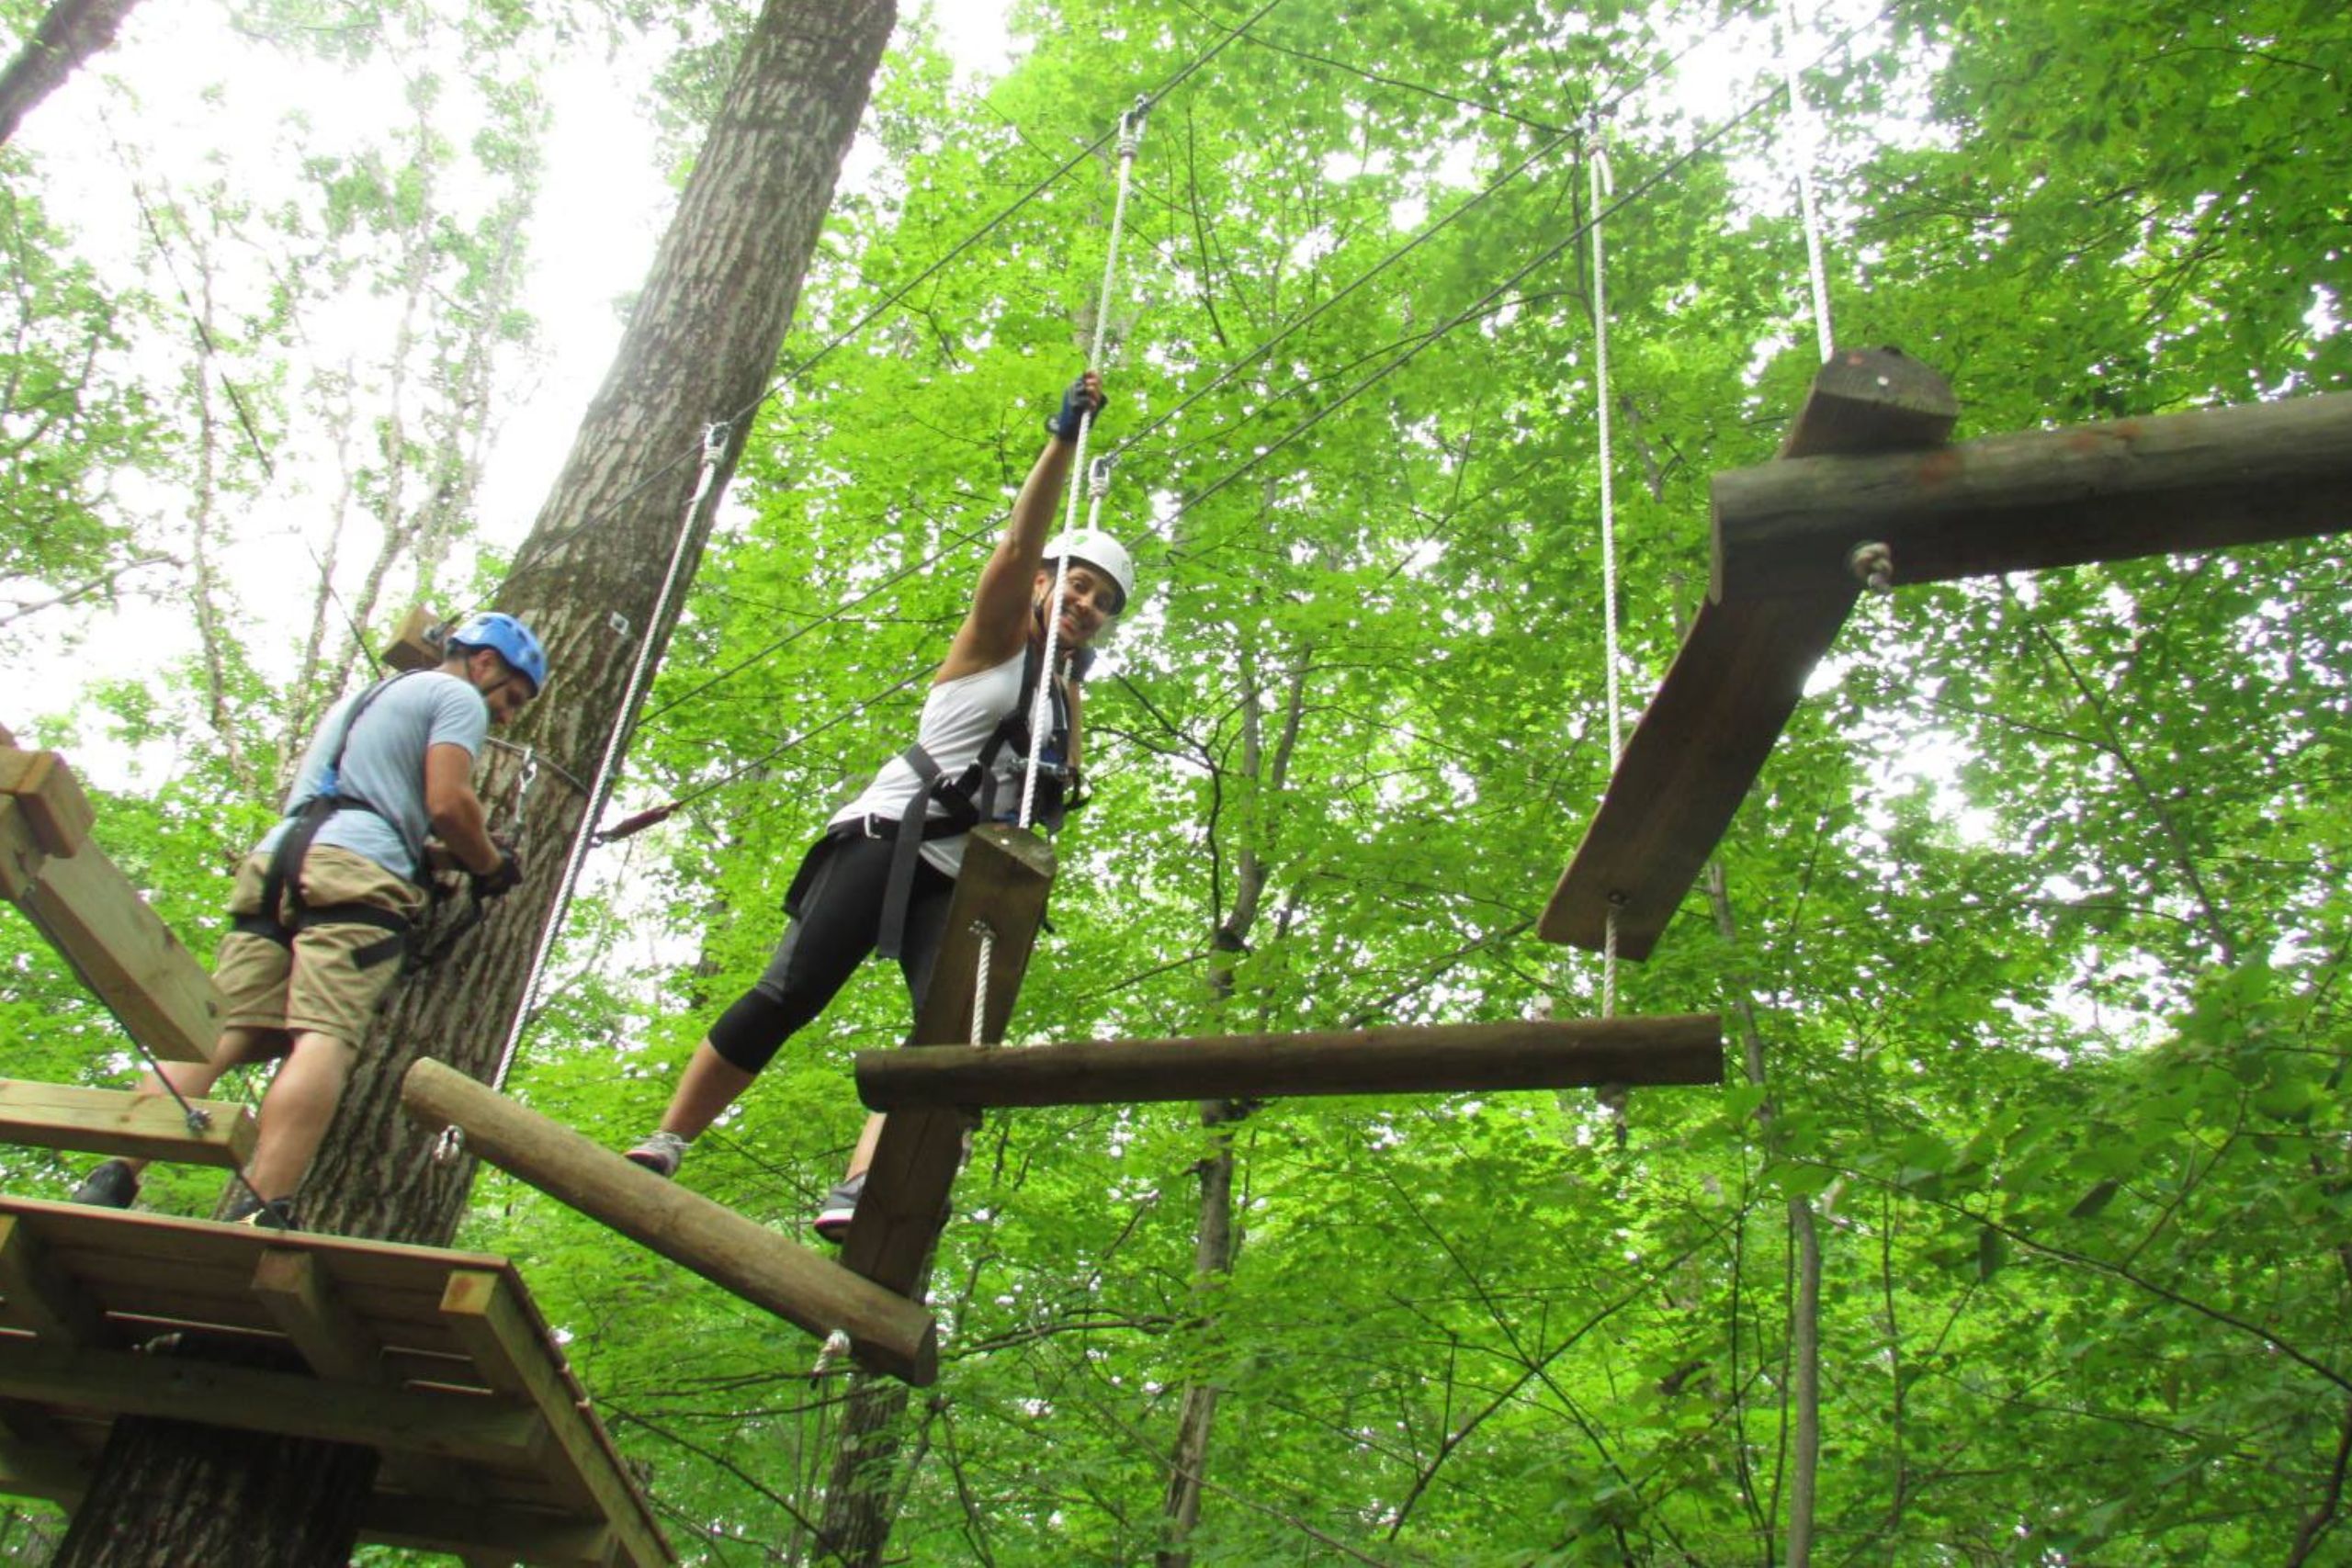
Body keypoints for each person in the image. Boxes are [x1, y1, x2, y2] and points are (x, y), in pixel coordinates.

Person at [623, 371, 1134, 1242]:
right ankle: (668, 1136)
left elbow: (1045, 805)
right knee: (790, 990)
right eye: (1077, 586)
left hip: (965, 878)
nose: (1085, 607)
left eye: (1102, 603)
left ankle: (862, 1187)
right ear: (1050, 584)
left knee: (953, 1045)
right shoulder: (1000, 635)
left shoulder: (1068, 704)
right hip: (888, 838)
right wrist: (1061, 441)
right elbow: (1016, 548)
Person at [71, 613, 546, 1228]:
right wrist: (487, 862)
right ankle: (261, 1208)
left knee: (223, 1029)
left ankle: (112, 1173)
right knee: (325, 1031)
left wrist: (438, 854)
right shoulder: (457, 696)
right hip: (356, 871)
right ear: (483, 662)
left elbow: (368, 801)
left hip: (281, 857)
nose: (508, 715)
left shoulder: (364, 701)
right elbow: (449, 802)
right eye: (510, 697)